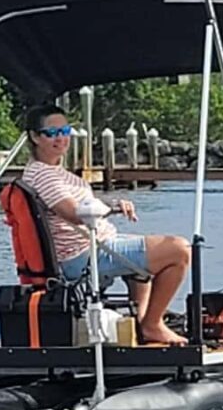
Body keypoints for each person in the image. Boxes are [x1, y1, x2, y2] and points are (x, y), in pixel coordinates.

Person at [21, 104, 191, 345]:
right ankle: (153, 324)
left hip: (96, 245)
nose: (61, 138)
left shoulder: (50, 171)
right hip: (84, 257)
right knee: (179, 250)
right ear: (35, 137)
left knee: (149, 250)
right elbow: (73, 213)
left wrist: (111, 203)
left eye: (65, 130)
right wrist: (113, 207)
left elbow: (79, 207)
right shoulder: (44, 175)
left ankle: (142, 324)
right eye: (51, 133)